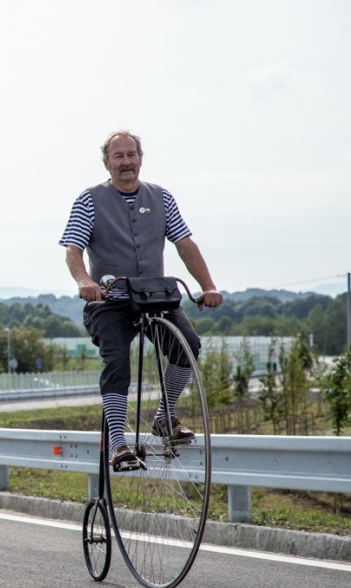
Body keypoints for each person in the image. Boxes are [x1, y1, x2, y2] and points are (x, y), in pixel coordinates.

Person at [59, 130, 223, 471]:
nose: (126, 162)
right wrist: (85, 281)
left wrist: (207, 285)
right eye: (118, 156)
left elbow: (184, 244)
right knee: (117, 361)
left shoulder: (161, 197)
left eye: (131, 155)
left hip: (155, 296)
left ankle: (164, 418)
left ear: (140, 159)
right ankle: (118, 444)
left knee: (187, 345)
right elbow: (73, 249)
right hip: (110, 299)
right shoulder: (89, 200)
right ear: (107, 163)